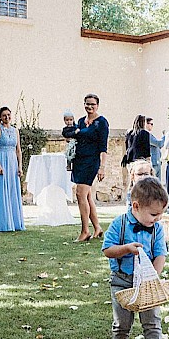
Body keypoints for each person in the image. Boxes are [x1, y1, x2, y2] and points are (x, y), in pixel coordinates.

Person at [102, 176, 169, 339]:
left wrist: (153, 279)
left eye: (160, 215)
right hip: (122, 280)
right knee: (122, 322)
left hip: (147, 284)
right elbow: (107, 249)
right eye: (153, 214)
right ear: (136, 206)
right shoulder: (119, 224)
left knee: (152, 320)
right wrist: (126, 249)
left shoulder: (157, 228)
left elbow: (160, 254)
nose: (157, 219)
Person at [63, 93, 109, 242]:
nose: (89, 106)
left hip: (91, 161)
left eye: (92, 104)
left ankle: (85, 231)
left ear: (97, 106)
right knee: (87, 196)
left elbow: (103, 147)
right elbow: (68, 133)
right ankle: (97, 228)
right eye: (87, 104)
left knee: (80, 194)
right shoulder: (81, 122)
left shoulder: (102, 123)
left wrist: (102, 167)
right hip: (79, 161)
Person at [0, 106, 25, 232]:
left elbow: (18, 150)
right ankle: (3, 223)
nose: (7, 117)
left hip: (12, 163)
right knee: (2, 190)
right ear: (0, 117)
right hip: (2, 161)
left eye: (8, 115)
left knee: (12, 190)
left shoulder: (15, 131)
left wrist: (20, 166)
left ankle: (14, 222)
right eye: (4, 115)